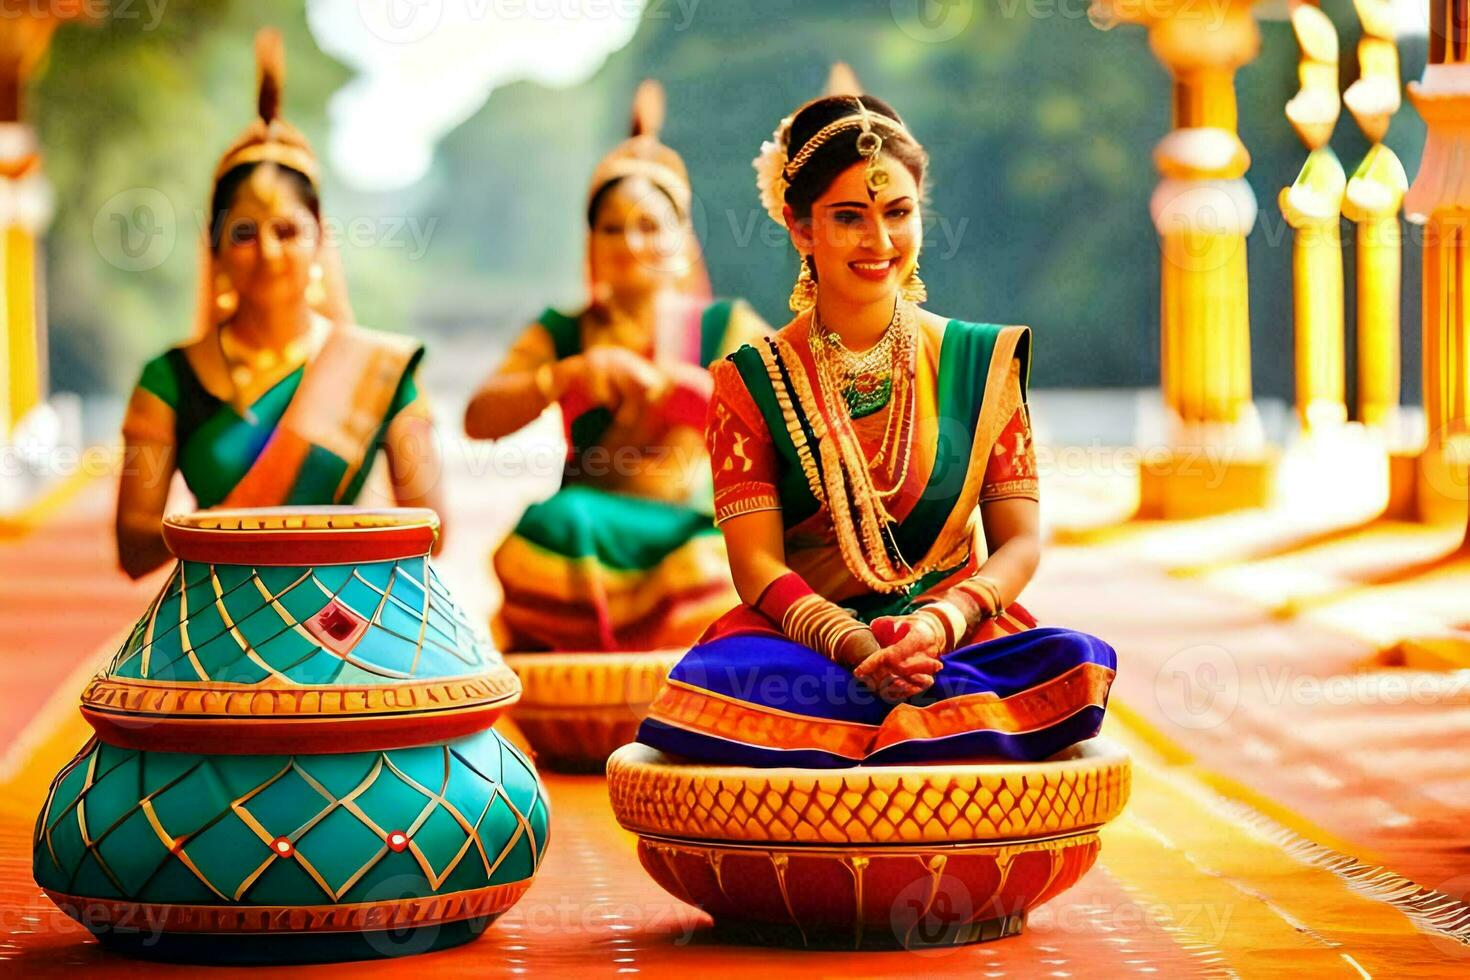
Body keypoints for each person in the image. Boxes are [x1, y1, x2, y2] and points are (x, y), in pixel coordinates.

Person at [636, 94, 1116, 767]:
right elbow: (755, 566)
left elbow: (1020, 543)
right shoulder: (750, 382)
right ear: (800, 228)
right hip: (811, 646)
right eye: (849, 218)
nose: (881, 241)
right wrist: (859, 647)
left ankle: (916, 707)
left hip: (953, 637)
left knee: (1068, 661)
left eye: (898, 213)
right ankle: (936, 723)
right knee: (720, 684)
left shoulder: (981, 363)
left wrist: (935, 626)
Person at [116, 31, 444, 579]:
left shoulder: (379, 371)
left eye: (287, 230)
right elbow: (132, 547)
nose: (267, 251)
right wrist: (232, 534)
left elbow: (432, 532)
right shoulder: (168, 380)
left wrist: (313, 540)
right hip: (214, 625)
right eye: (244, 232)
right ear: (214, 250)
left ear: (320, 240)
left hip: (347, 620)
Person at [465, 81, 768, 652]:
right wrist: (567, 375)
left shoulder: (725, 326)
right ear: (592, 243)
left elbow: (796, 414)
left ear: (682, 240)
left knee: (715, 562)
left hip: (684, 526)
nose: (630, 242)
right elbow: (479, 420)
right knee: (546, 530)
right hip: (585, 528)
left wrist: (701, 392)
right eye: (612, 227)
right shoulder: (563, 330)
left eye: (650, 226)